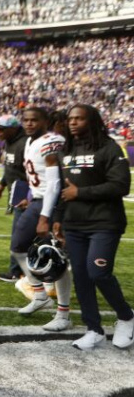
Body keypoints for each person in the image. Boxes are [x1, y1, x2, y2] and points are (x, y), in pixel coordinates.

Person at [53, 104, 133, 350]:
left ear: (93, 121)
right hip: (74, 224)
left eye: (79, 118)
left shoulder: (110, 148)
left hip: (104, 222)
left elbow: (121, 186)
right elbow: (62, 190)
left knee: (98, 272)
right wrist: (58, 218)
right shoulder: (64, 151)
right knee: (82, 277)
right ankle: (93, 329)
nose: (73, 123)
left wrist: (81, 192)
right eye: (70, 119)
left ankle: (127, 317)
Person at [12, 107, 72, 329]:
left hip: (53, 203)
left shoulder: (51, 140)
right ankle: (39, 295)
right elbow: (37, 177)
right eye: (26, 120)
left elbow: (54, 182)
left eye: (34, 120)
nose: (29, 124)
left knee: (56, 259)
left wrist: (45, 216)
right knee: (18, 248)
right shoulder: (30, 141)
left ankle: (63, 314)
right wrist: (30, 197)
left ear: (45, 121)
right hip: (37, 200)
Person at [0, 114, 28, 283]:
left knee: (19, 237)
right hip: (17, 193)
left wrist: (29, 196)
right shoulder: (9, 142)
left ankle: (16, 272)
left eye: (1, 129)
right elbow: (10, 167)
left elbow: (32, 172)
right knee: (24, 236)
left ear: (13, 129)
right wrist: (2, 183)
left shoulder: (25, 144)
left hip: (27, 196)